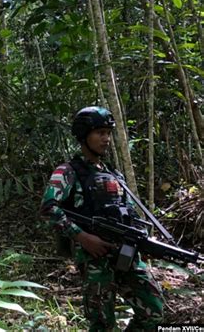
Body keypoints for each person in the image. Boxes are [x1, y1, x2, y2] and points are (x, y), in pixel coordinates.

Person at [39, 106, 164, 331]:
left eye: (108, 133)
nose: (106, 138)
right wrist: (82, 237)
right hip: (94, 258)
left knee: (153, 310)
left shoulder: (114, 175)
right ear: (84, 136)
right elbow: (49, 208)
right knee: (102, 323)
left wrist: (140, 238)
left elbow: (129, 212)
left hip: (126, 254)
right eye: (100, 133)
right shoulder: (68, 171)